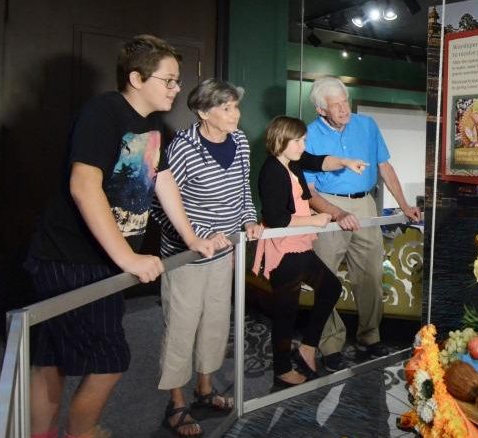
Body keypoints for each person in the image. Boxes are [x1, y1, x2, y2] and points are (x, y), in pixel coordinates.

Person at [25, 35, 219, 438]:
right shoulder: (104, 112)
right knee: (105, 359)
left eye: (176, 80)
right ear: (136, 78)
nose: (176, 88)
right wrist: (128, 259)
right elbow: (83, 185)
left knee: (54, 357)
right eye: (168, 80)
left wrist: (191, 238)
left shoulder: (151, 125)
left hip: (101, 263)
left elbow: (163, 181)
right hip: (70, 258)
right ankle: (82, 431)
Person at [149, 78, 259, 436]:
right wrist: (192, 239)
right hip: (186, 257)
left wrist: (249, 219)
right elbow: (159, 202)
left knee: (214, 322)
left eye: (235, 106)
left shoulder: (240, 141)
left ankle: (205, 389)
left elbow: (243, 188)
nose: (234, 114)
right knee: (182, 327)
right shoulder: (182, 147)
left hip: (224, 251)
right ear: (202, 112)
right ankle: (177, 404)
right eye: (225, 108)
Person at [303, 77, 421, 372]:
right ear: (321, 110)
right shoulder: (308, 135)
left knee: (370, 275)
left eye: (346, 101)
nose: (345, 109)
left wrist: (405, 204)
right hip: (328, 208)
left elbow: (384, 167)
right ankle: (330, 343)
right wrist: (337, 214)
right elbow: (310, 191)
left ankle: (370, 336)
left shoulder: (366, 125)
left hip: (365, 204)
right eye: (336, 105)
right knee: (326, 281)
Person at [253, 116, 362, 388]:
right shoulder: (271, 170)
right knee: (285, 313)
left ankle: (308, 347)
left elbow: (319, 161)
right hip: (283, 251)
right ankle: (281, 370)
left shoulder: (293, 162)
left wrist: (346, 162)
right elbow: (276, 218)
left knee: (331, 288)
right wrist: (314, 220)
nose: (304, 145)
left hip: (299, 245)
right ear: (282, 140)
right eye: (299, 140)